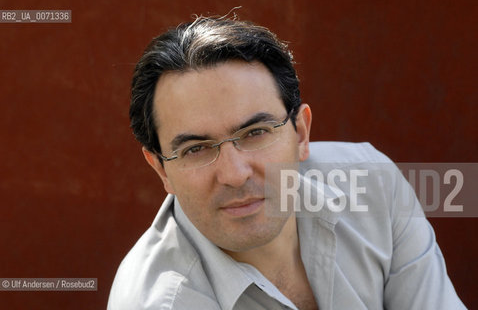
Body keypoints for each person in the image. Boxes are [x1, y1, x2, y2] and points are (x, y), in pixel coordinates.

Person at [107, 16, 466, 310]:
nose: (234, 174)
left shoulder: (374, 183)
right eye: (196, 149)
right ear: (160, 169)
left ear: (301, 132)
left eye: (255, 133)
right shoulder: (158, 303)